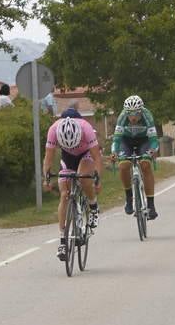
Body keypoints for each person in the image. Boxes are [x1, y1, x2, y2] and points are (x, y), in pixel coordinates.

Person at [43, 117, 103, 261]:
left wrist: (97, 180)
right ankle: (63, 241)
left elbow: (97, 158)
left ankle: (93, 206)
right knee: (64, 195)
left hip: (86, 154)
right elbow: (48, 158)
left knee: (83, 177)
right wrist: (46, 179)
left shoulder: (86, 128)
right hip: (68, 157)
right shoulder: (53, 130)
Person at [110, 95, 161, 220]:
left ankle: (151, 205)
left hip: (144, 141)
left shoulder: (147, 116)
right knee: (123, 165)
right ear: (126, 112)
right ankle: (128, 197)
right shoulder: (122, 117)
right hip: (126, 141)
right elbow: (116, 140)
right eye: (130, 114)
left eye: (136, 114)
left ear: (141, 111)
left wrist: (154, 150)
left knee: (145, 164)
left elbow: (154, 140)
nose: (133, 117)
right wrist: (114, 153)